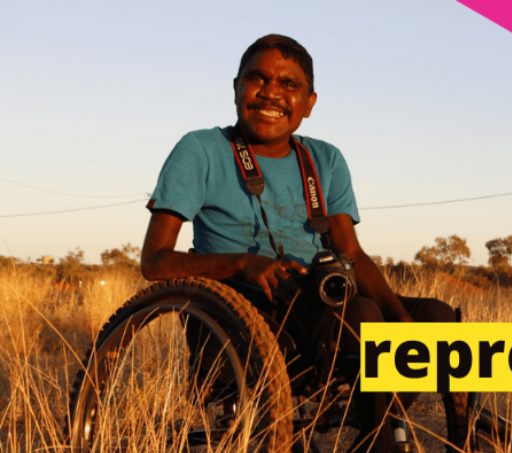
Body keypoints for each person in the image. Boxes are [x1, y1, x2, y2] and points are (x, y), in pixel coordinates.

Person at [140, 34, 458, 453]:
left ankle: (438, 436)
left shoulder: (325, 160)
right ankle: (382, 442)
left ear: (309, 103)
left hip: (320, 302)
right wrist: (242, 265)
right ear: (236, 87)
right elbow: (155, 261)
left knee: (435, 316)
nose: (271, 92)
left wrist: (403, 319)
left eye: (289, 84)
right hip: (245, 313)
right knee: (360, 315)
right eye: (258, 78)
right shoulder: (201, 150)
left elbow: (353, 253)